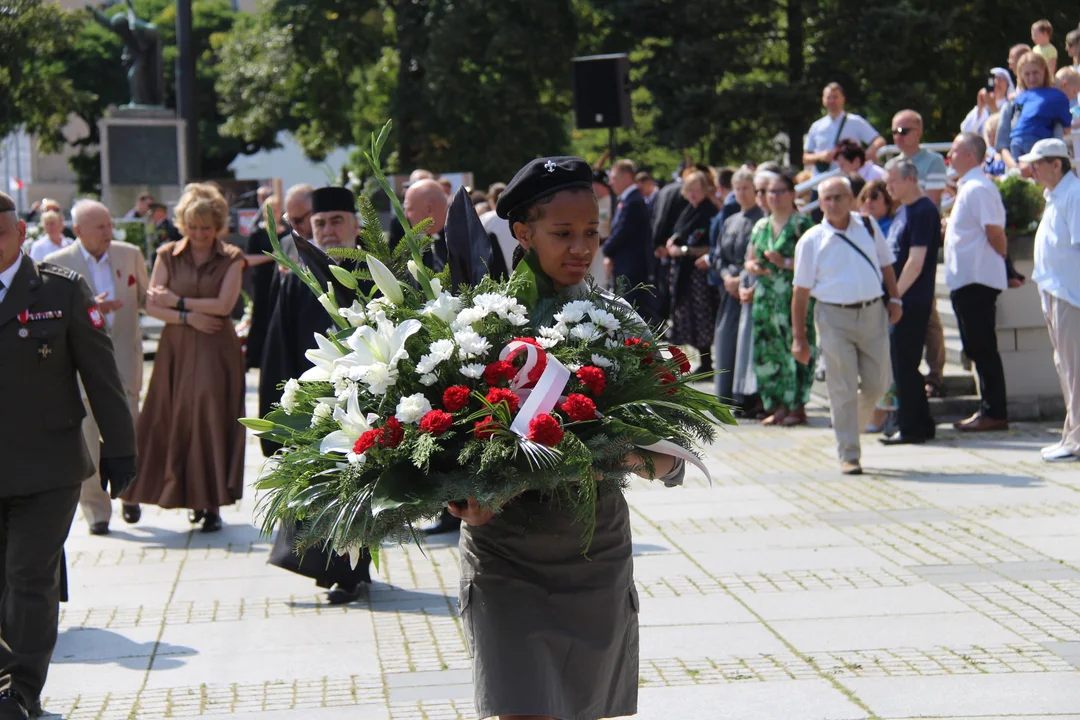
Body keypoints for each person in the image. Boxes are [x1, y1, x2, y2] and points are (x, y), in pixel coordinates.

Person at [451, 155, 684, 720]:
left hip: (593, 551)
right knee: (520, 706)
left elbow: (672, 459)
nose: (581, 247)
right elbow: (442, 444)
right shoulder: (480, 326)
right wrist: (461, 498)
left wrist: (619, 449)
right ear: (522, 232)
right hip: (506, 556)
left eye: (590, 232)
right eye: (562, 233)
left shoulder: (619, 324)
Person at [0, 191, 136, 720]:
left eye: (1, 233)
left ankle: (21, 691)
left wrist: (120, 450)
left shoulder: (61, 290)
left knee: (29, 576)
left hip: (46, 468)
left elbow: (103, 380)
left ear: (19, 233)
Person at [261, 186, 374, 604]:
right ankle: (344, 572)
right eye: (320, 223)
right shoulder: (297, 280)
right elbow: (279, 349)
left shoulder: (375, 273)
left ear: (355, 226)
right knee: (327, 491)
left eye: (336, 222)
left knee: (363, 489)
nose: (327, 231)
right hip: (316, 409)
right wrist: (274, 424)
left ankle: (352, 573)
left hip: (370, 403)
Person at [122, 183, 246, 532]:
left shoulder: (232, 257)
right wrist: (187, 316)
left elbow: (224, 305)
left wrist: (177, 301)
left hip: (214, 347)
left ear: (218, 225)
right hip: (177, 343)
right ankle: (137, 491)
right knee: (164, 415)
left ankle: (209, 502)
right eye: (192, 226)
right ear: (182, 224)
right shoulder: (166, 254)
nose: (199, 233)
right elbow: (151, 303)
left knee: (210, 418)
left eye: (206, 227)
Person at [44, 198, 148, 534]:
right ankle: (96, 511)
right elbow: (52, 318)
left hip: (124, 362)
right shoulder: (56, 263)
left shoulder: (130, 253)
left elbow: (147, 297)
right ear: (78, 231)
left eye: (109, 224)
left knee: (129, 431)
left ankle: (130, 493)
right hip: (81, 369)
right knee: (87, 441)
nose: (109, 231)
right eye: (100, 226)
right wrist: (89, 311)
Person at [791, 177, 902, 475]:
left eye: (839, 197)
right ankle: (849, 453)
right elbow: (800, 291)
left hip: (872, 312)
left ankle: (850, 422)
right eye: (826, 198)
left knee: (879, 382)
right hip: (832, 317)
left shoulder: (868, 226)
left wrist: (896, 299)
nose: (832, 203)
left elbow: (886, 264)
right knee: (841, 387)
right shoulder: (812, 240)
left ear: (852, 198)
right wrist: (799, 338)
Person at [944, 133, 1010, 432]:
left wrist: (1004, 264)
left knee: (983, 348)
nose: (949, 156)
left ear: (971, 156)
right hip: (968, 280)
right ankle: (989, 409)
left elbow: (995, 232)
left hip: (977, 281)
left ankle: (994, 412)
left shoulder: (978, 188)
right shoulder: (969, 187)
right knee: (978, 347)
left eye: (955, 151)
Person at [1022, 139, 1080, 462]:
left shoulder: (1074, 195)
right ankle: (1072, 437)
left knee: (1075, 370)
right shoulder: (1057, 196)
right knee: (1067, 367)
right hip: (1056, 292)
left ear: (1057, 164)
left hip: (1071, 295)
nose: (1032, 169)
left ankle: (1076, 442)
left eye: (1038, 163)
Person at [744, 171, 816, 426]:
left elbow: (814, 264)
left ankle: (796, 405)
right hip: (765, 299)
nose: (773, 196)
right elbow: (749, 259)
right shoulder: (761, 225)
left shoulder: (802, 225)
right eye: (768, 192)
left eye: (779, 191)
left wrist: (784, 262)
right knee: (768, 351)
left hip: (792, 298)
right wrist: (753, 267)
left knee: (794, 349)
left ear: (792, 194)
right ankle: (776, 405)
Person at [879, 158, 941, 445]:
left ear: (910, 179)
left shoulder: (924, 210)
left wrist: (895, 297)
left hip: (910, 301)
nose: (888, 187)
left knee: (904, 364)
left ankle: (912, 427)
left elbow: (915, 263)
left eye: (893, 181)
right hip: (901, 299)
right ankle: (921, 423)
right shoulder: (903, 210)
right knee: (902, 363)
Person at [889, 109, 948, 399]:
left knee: (930, 315)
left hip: (921, 240)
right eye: (894, 132)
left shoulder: (933, 161)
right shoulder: (894, 165)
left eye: (904, 131)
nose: (898, 137)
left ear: (919, 132)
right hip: (902, 243)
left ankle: (935, 376)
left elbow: (931, 205)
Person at [708, 168, 762, 404]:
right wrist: (725, 277)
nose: (741, 193)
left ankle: (747, 396)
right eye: (737, 188)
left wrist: (741, 278)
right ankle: (726, 392)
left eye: (746, 188)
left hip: (750, 286)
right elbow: (718, 255)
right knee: (726, 336)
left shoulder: (761, 220)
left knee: (746, 339)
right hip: (729, 288)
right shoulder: (730, 219)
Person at [662, 170, 719, 373]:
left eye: (697, 190)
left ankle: (706, 362)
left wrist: (683, 250)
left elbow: (711, 245)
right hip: (684, 272)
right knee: (688, 317)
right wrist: (673, 243)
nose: (693, 194)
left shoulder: (709, 212)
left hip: (698, 273)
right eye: (690, 190)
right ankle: (697, 360)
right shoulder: (689, 209)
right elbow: (680, 233)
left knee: (701, 317)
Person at [601, 159, 656, 320]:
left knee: (631, 309)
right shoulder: (629, 199)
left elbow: (622, 232)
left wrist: (606, 250)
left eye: (613, 177)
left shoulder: (634, 201)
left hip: (631, 266)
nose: (610, 182)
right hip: (626, 263)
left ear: (626, 176)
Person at [1001, 52, 1071, 168]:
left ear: (1045, 71)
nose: (1032, 78)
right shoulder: (1013, 104)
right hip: (1032, 143)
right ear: (1021, 76)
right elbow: (1067, 126)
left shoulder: (1019, 99)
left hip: (1018, 142)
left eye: (1035, 73)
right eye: (1027, 74)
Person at [244, 192, 288, 371]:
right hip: (262, 281)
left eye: (277, 210)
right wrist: (272, 258)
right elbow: (247, 259)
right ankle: (256, 356)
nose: (273, 213)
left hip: (282, 282)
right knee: (260, 316)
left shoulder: (288, 233)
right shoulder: (257, 235)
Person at [803, 82, 886, 175]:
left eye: (835, 97)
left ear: (843, 99)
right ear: (823, 100)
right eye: (828, 97)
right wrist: (820, 156)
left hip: (849, 180)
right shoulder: (816, 126)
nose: (832, 101)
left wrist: (865, 155)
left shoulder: (855, 122)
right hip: (821, 182)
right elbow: (805, 158)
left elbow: (879, 141)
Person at [402, 178, 449, 271]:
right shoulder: (406, 245)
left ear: (429, 210)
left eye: (410, 209)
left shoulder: (459, 242)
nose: (406, 215)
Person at [961, 67, 1013, 135]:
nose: (996, 83)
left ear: (1008, 84)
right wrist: (980, 108)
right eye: (993, 79)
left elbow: (1005, 132)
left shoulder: (1011, 105)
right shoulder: (983, 108)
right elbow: (966, 131)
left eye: (1000, 79)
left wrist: (993, 107)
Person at [479, 182, 516, 275]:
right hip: (524, 273)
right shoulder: (520, 217)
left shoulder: (485, 219)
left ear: (491, 200)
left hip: (496, 277)